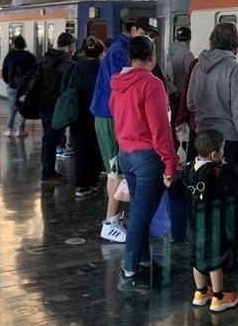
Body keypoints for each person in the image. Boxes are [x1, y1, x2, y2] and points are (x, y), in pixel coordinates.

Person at [109, 35, 179, 288]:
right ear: (152, 56)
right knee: (140, 216)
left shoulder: (119, 83)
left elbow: (117, 117)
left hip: (127, 154)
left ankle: (144, 262)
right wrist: (171, 163)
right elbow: (160, 128)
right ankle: (129, 271)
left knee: (140, 212)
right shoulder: (152, 84)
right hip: (148, 158)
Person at [188, 22, 238, 275]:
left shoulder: (197, 67)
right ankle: (229, 263)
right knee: (230, 206)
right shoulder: (235, 70)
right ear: (235, 44)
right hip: (228, 144)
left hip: (202, 142)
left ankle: (204, 257)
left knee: (205, 202)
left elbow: (191, 103)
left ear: (211, 41)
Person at [90, 17, 161, 243]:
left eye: (150, 34)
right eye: (144, 32)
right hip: (110, 117)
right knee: (115, 170)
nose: (147, 37)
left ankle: (114, 218)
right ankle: (110, 223)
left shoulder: (120, 48)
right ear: (132, 30)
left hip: (111, 116)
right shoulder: (122, 51)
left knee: (117, 169)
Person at [188, 129, 238, 312]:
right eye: (222, 149)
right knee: (214, 261)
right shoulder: (216, 173)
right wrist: (227, 168)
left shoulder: (190, 167)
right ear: (214, 154)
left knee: (197, 259)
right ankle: (219, 298)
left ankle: (201, 292)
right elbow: (230, 188)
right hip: (212, 225)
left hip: (195, 225)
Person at [67, 37, 105, 198]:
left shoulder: (73, 68)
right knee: (95, 148)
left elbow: (65, 89)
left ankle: (81, 185)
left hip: (77, 115)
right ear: (100, 54)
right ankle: (93, 181)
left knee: (80, 150)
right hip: (96, 114)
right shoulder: (103, 70)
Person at [37, 32, 76, 183]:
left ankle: (48, 170)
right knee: (52, 139)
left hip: (43, 104)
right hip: (57, 106)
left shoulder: (45, 59)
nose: (74, 48)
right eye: (73, 45)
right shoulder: (67, 64)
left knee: (48, 138)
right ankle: (48, 173)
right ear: (68, 46)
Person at [1, 36, 36, 137]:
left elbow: (5, 70)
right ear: (24, 44)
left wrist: (7, 81)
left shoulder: (10, 56)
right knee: (24, 106)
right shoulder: (30, 56)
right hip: (26, 87)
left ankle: (9, 129)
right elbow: (35, 71)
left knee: (12, 106)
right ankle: (20, 129)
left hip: (12, 85)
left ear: (14, 44)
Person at [167, 26, 195, 116]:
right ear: (189, 38)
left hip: (171, 92)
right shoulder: (187, 54)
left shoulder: (170, 53)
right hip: (181, 94)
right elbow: (191, 75)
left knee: (174, 118)